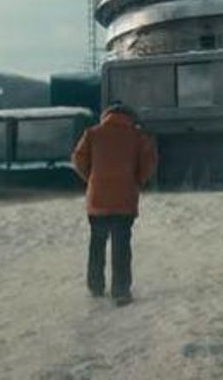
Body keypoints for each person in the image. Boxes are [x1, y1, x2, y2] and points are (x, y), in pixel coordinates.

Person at [70, 101, 158, 306]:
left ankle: (95, 286)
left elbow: (78, 159)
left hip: (98, 198)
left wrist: (92, 178)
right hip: (124, 199)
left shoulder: (92, 134)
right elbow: (148, 163)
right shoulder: (137, 137)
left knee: (97, 242)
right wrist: (136, 180)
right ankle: (120, 291)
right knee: (121, 245)